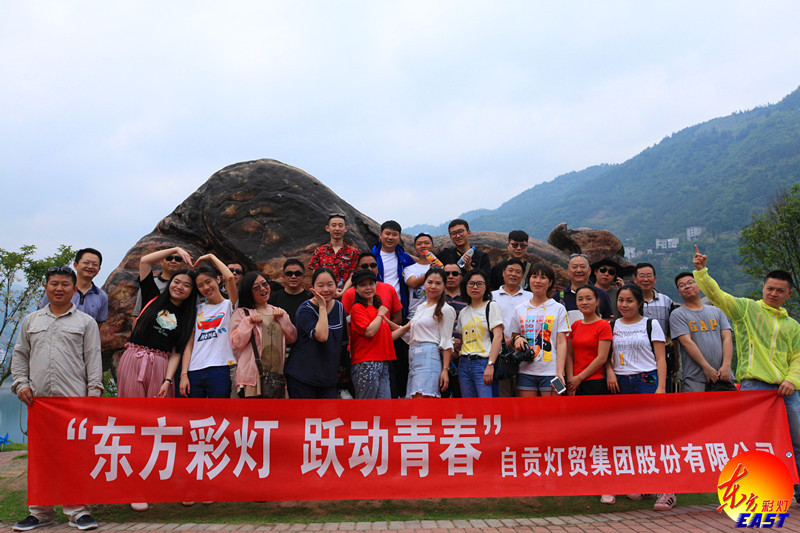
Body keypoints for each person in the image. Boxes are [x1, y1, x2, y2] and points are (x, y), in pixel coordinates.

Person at [693, 245, 800, 502]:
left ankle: (797, 490)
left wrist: (792, 380)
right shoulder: (746, 310)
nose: (773, 294)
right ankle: (756, 492)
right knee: (754, 442)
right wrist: (702, 272)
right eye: (770, 288)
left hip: (787, 390)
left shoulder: (793, 325)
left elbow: (797, 357)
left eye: (780, 291)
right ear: (763, 288)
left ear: (789, 294)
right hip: (755, 388)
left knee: (796, 442)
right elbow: (718, 296)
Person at [11, 266, 102, 531]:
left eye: (64, 284)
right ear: (46, 287)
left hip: (74, 402)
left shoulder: (86, 322)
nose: (59, 288)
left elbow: (93, 359)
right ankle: (40, 512)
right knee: (42, 459)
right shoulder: (31, 321)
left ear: (74, 289)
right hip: (39, 402)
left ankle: (78, 512)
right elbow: (20, 355)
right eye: (54, 283)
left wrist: (93, 395)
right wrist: (21, 384)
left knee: (75, 457)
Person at [117, 247, 198, 512]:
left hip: (162, 365)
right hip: (134, 358)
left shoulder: (187, 316)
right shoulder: (152, 295)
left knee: (159, 425)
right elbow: (144, 262)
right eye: (177, 281)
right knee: (132, 422)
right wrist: (175, 250)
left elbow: (176, 351)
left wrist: (167, 380)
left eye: (186, 285)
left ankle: (165, 483)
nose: (180, 287)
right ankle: (135, 488)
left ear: (192, 292)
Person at [604, 283, 673, 511]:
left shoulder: (651, 325)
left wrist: (661, 387)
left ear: (639, 303)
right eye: (621, 300)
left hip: (647, 381)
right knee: (629, 435)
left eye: (629, 301)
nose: (624, 305)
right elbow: (606, 355)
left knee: (655, 434)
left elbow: (661, 359)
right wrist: (610, 371)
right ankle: (642, 483)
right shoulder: (612, 325)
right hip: (621, 384)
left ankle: (667, 490)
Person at [565, 284, 614, 504]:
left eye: (588, 298)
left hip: (595, 383)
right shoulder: (575, 325)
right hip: (575, 385)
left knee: (600, 434)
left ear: (597, 302)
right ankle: (583, 479)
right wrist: (571, 379)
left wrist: (579, 377)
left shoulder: (603, 325)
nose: (584, 302)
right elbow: (569, 355)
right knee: (579, 433)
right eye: (580, 299)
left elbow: (601, 358)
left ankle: (607, 486)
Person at [172, 255, 239, 399]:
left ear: (218, 280)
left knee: (219, 411)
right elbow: (189, 344)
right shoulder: (197, 309)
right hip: (194, 370)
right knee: (194, 412)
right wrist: (184, 374)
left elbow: (230, 278)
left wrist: (211, 257)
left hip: (221, 367)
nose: (206, 288)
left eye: (208, 282)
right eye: (200, 285)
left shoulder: (230, 305)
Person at [230, 271, 298, 398]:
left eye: (265, 284)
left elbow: (292, 337)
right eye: (256, 288)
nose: (263, 289)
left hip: (277, 378)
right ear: (248, 292)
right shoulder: (242, 313)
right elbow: (236, 343)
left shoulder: (279, 312)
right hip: (252, 379)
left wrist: (283, 319)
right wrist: (248, 322)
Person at [283, 268, 348, 398]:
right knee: (305, 412)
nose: (326, 289)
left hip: (328, 378)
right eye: (320, 285)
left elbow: (342, 341)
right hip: (303, 377)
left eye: (330, 284)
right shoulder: (305, 310)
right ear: (313, 288)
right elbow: (322, 336)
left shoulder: (339, 307)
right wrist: (322, 306)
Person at [508, 263, 569, 398]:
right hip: (525, 371)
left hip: (551, 372)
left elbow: (561, 342)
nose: (538, 281)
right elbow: (513, 337)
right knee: (528, 409)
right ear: (529, 280)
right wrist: (517, 339)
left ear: (550, 282)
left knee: (553, 409)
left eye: (543, 277)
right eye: (534, 276)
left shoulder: (558, 308)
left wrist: (560, 372)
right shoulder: (520, 309)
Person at [394, 268, 456, 398]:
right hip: (413, 356)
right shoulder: (420, 307)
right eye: (430, 282)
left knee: (423, 399)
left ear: (444, 286)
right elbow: (409, 334)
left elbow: (446, 341)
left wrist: (445, 370)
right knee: (413, 400)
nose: (433, 286)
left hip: (430, 357)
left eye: (438, 283)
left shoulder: (446, 309)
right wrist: (384, 320)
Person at [670, 272, 734, 392]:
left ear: (699, 285)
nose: (687, 286)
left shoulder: (716, 311)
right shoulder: (678, 315)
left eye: (690, 282)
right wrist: (706, 367)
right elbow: (686, 342)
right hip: (695, 378)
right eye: (682, 285)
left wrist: (726, 366)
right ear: (679, 292)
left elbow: (727, 338)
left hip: (724, 375)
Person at [348, 269, 396, 398]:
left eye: (371, 283)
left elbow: (387, 336)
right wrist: (380, 314)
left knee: (384, 407)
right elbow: (369, 332)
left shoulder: (377, 309)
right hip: (366, 363)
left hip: (382, 362)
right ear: (355, 289)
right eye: (363, 285)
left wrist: (410, 326)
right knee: (367, 406)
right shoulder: (357, 308)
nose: (368, 287)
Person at [456, 270, 503, 397]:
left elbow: (498, 337)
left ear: (486, 286)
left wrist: (490, 364)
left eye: (479, 284)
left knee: (486, 404)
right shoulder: (463, 312)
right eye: (471, 283)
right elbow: (462, 339)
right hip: (464, 363)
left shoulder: (491, 306)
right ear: (465, 286)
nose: (475, 287)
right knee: (469, 405)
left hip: (483, 362)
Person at [491, 258, 532, 397]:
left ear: (523, 276)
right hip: (500, 353)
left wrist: (517, 340)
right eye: (510, 270)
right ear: (503, 273)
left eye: (518, 272)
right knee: (504, 397)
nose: (514, 274)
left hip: (525, 353)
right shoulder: (492, 296)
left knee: (524, 396)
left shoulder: (530, 297)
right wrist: (504, 340)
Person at [634, 263, 678, 392]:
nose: (645, 279)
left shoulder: (666, 301)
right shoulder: (630, 302)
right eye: (642, 276)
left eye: (649, 276)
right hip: (639, 355)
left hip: (663, 353)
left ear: (655, 278)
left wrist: (676, 358)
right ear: (635, 279)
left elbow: (672, 331)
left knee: (663, 389)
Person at [40, 248, 108, 324]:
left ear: (99, 269)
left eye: (94, 264)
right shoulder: (58, 291)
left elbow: (98, 324)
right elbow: (42, 315)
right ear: (75, 265)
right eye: (86, 263)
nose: (90, 267)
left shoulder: (101, 296)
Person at [553, 253, 613, 326]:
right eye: (574, 267)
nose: (579, 270)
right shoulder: (559, 297)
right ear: (568, 271)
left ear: (589, 271)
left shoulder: (602, 294)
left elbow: (608, 321)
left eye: (583, 267)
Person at [309, 213, 360, 296]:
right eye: (333, 225)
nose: (337, 229)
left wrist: (343, 292)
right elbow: (316, 275)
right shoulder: (319, 251)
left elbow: (353, 275)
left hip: (345, 295)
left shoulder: (353, 252)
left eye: (340, 226)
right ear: (327, 228)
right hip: (324, 294)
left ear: (346, 229)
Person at [132, 249, 188, 315]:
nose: (173, 261)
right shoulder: (150, 284)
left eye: (178, 259)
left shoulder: (185, 288)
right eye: (169, 258)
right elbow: (137, 314)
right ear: (161, 262)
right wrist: (176, 249)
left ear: (182, 263)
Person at [443, 263, 466, 398]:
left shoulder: (469, 297)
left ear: (461, 277)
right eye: (447, 274)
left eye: (455, 274)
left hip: (463, 353)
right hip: (440, 353)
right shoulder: (435, 297)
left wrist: (460, 344)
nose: (450, 276)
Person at [269, 258, 312, 328]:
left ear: (304, 276)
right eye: (289, 274)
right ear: (283, 276)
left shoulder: (311, 298)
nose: (293, 276)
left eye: (298, 274)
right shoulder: (273, 298)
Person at [404, 232, 438, 319]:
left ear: (433, 246)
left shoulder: (441, 267)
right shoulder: (409, 269)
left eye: (426, 243)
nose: (423, 246)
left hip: (435, 314)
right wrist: (430, 271)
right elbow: (413, 284)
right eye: (419, 244)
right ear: (415, 248)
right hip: (414, 316)